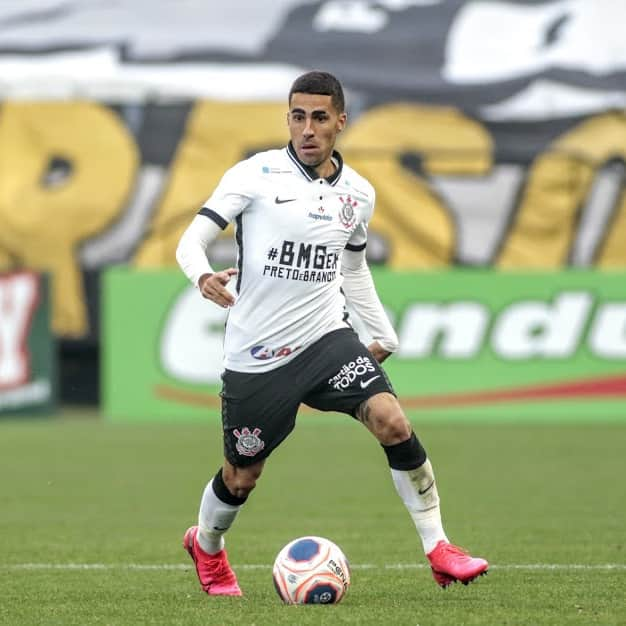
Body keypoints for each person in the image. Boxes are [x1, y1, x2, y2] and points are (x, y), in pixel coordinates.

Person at [175, 70, 488, 596]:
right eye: (298, 116)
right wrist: (202, 275)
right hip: (258, 354)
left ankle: (439, 548)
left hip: (326, 339)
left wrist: (381, 332)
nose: (308, 128)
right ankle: (206, 547)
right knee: (241, 477)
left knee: (391, 420)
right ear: (289, 119)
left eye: (320, 117)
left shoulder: (358, 195)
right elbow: (192, 240)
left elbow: (353, 268)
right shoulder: (256, 175)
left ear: (341, 121)